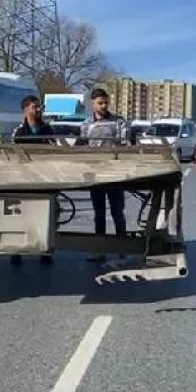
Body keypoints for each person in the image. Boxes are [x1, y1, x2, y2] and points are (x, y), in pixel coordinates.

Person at [80, 88, 127, 262]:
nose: (104, 106)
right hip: (96, 175)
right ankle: (100, 250)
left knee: (117, 212)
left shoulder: (118, 122)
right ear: (93, 104)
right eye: (100, 103)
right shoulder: (86, 125)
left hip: (115, 174)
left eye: (106, 102)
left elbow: (124, 144)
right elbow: (81, 147)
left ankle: (123, 248)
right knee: (99, 213)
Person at [11, 95, 55, 265]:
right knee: (20, 216)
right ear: (25, 110)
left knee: (46, 217)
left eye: (39, 107)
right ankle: (16, 250)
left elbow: (57, 150)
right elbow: (12, 155)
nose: (38, 110)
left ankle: (45, 251)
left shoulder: (48, 130)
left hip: (45, 179)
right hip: (24, 180)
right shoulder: (18, 131)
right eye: (34, 107)